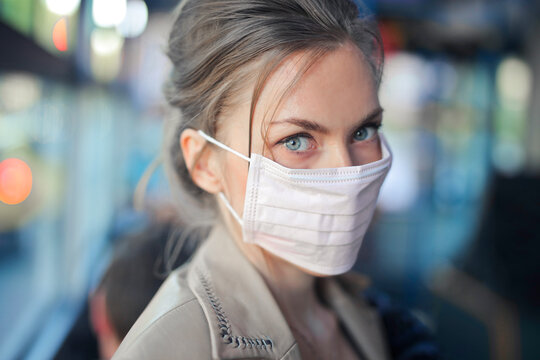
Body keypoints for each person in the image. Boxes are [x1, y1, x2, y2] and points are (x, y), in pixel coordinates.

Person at [113, 1, 439, 359]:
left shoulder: (376, 319)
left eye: (363, 131)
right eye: (296, 140)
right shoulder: (171, 348)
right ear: (206, 163)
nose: (346, 170)